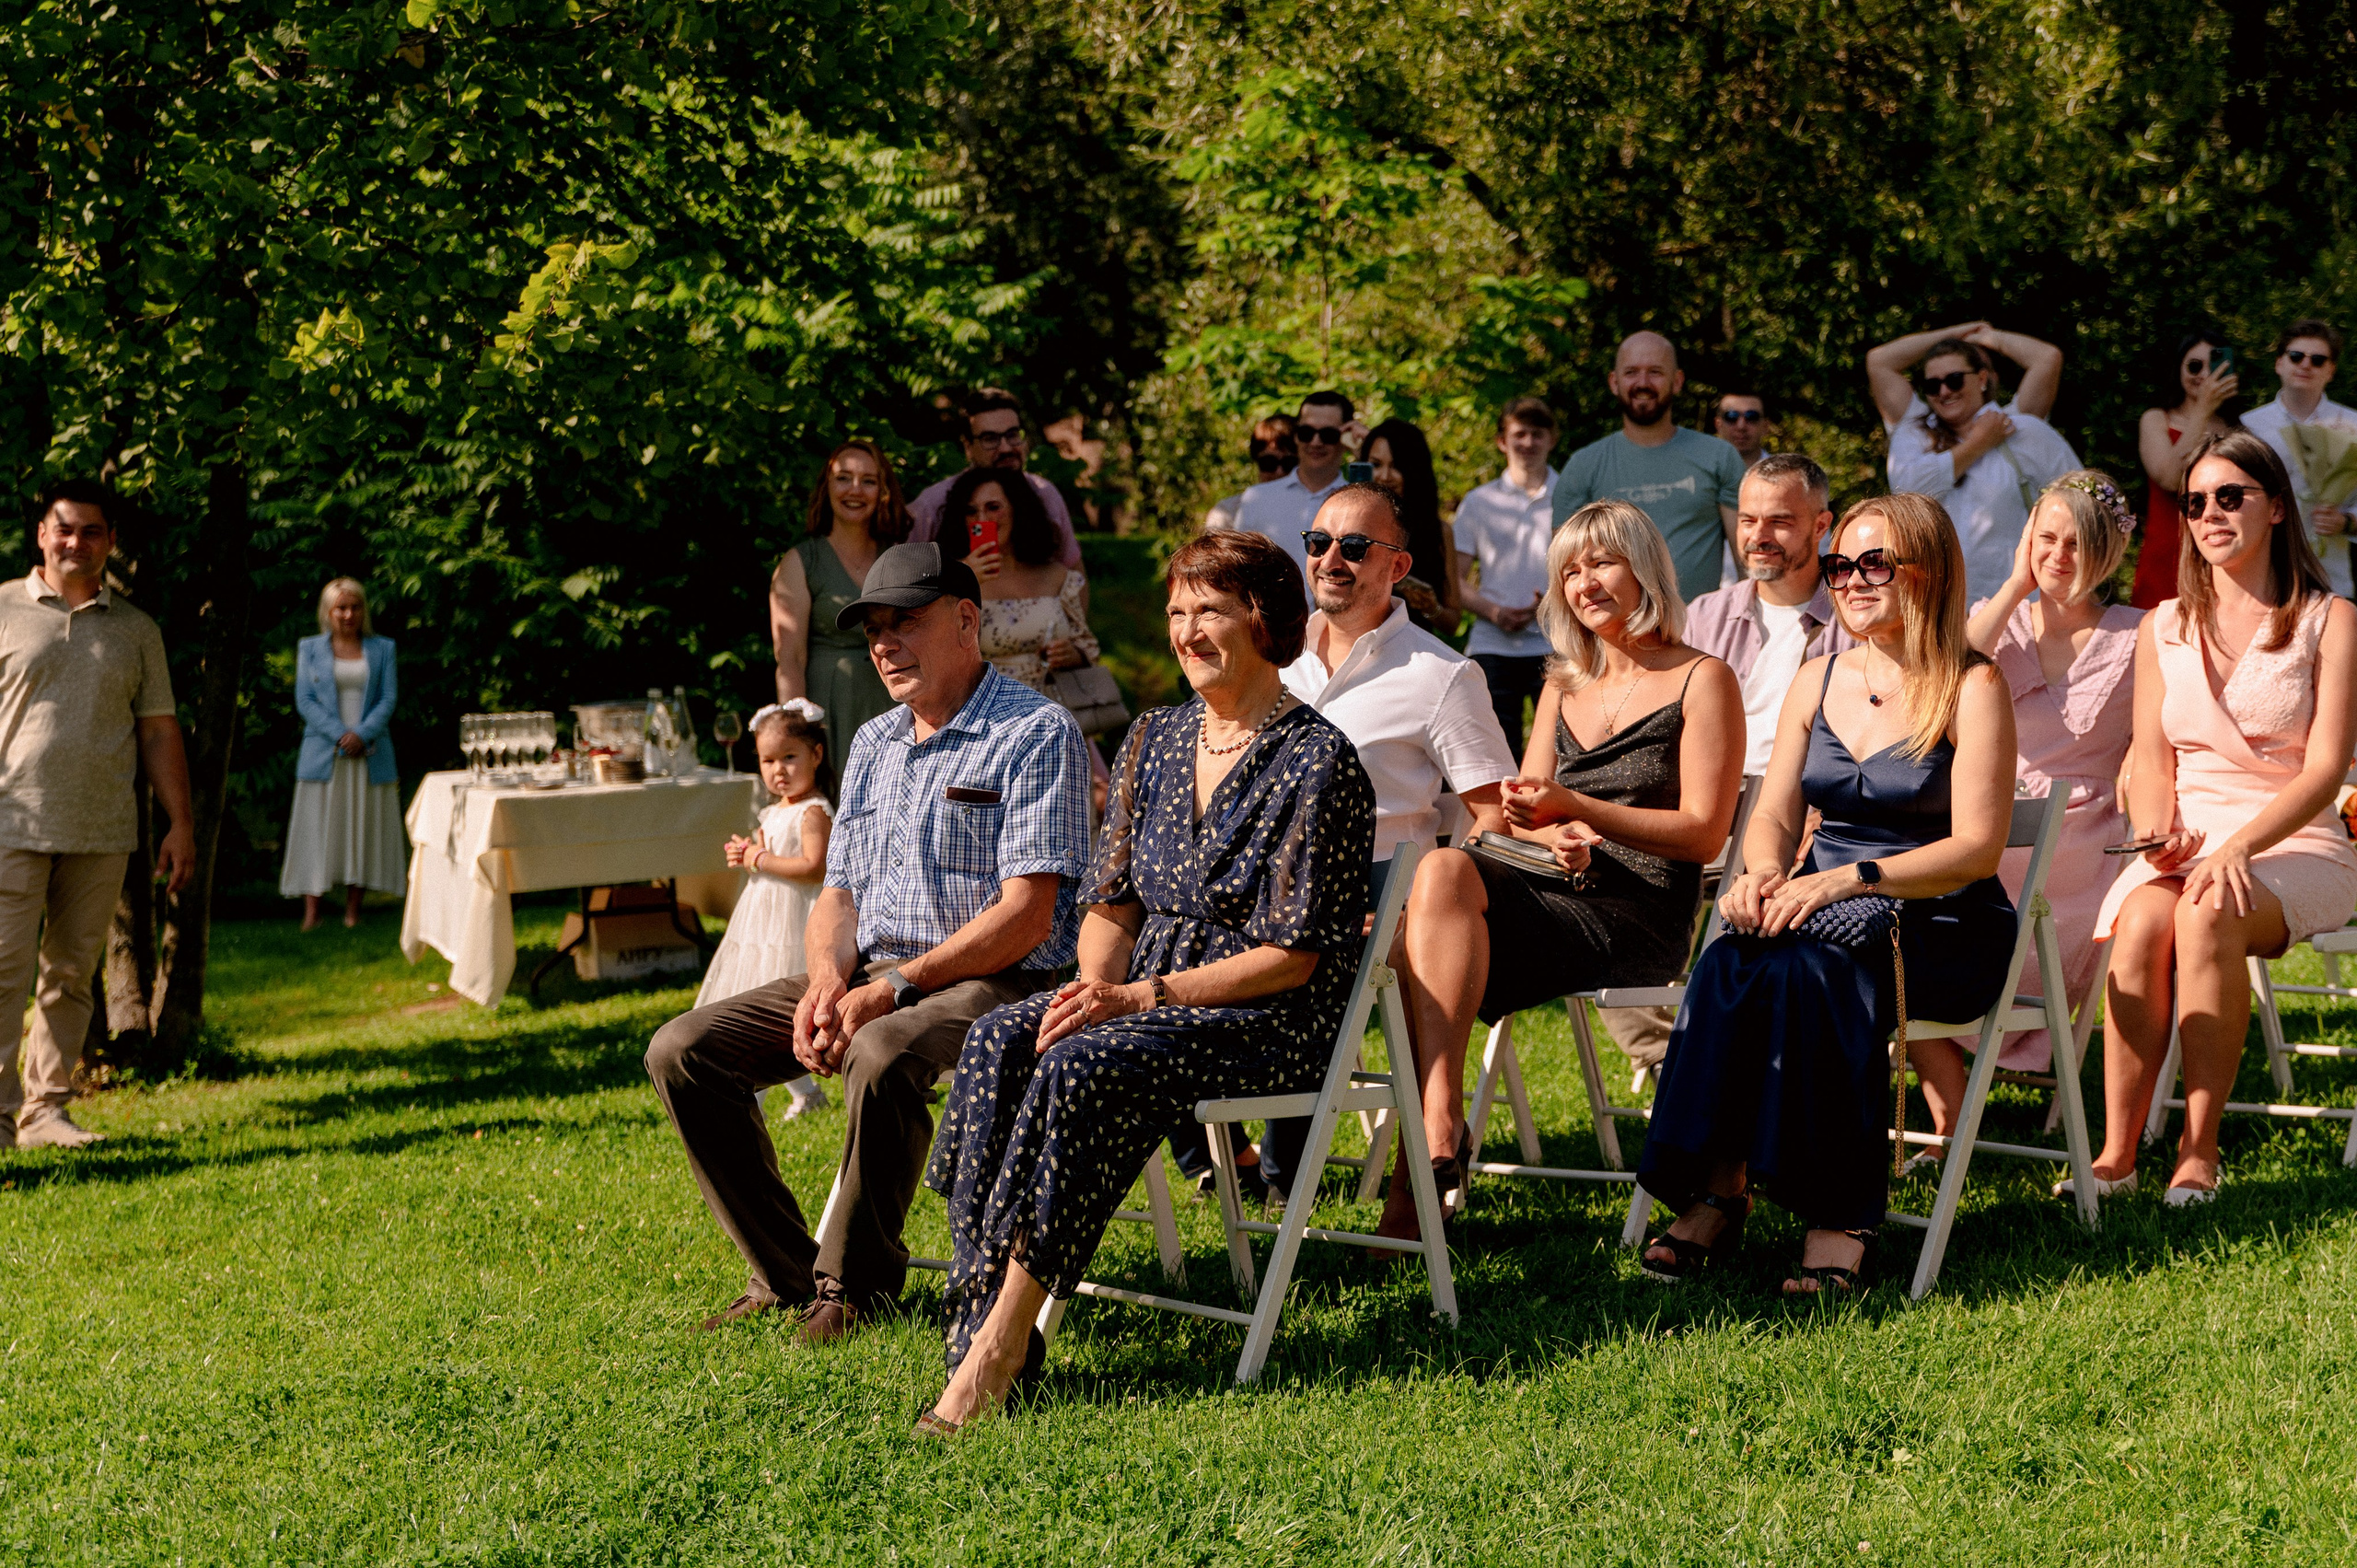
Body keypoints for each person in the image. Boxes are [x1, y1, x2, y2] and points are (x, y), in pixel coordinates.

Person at [915, 531, 1374, 1435]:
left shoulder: (1320, 760)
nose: (1186, 630)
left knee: (1079, 1063)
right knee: (1004, 1036)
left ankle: (997, 1347)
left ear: (1264, 620)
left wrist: (1137, 1001)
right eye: (1176, 611)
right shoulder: (1153, 738)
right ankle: (982, 1311)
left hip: (1264, 1016)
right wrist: (1092, 990)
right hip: (1142, 997)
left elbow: (1293, 956)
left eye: (1210, 610)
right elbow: (1111, 904)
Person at [646, 542, 1092, 1340]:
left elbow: (1028, 915)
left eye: (905, 622)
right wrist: (825, 977)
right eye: (874, 629)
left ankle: (856, 1284)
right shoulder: (876, 741)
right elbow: (839, 892)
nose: (884, 644)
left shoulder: (1034, 731)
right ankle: (786, 1271)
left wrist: (894, 987)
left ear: (966, 620)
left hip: (1002, 977)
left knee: (881, 1049)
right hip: (874, 970)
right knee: (683, 1049)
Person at [1636, 492, 2018, 1295]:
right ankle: (1718, 1185)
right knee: (1730, 959)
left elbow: (1977, 847)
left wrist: (1848, 877)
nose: (1849, 580)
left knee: (1817, 967)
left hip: (1940, 914)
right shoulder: (1818, 677)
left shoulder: (1973, 684)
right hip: (1821, 904)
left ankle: (1840, 1212)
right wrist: (1760, 872)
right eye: (1840, 565)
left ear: (1928, 571)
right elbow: (1775, 812)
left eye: (1874, 563)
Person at [1384, 499, 1744, 1241]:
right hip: (1551, 886)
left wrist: (1581, 809)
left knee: (1410, 943)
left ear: (1645, 569)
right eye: (1570, 571)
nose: (1585, 582)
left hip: (1637, 913)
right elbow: (1522, 814)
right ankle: (1440, 1119)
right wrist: (1556, 833)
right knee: (1444, 870)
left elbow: (1705, 832)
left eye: (1602, 562)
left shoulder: (1703, 678)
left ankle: (1414, 1186)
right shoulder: (1563, 681)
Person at [2085, 432, 2357, 1205]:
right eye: (2195, 501)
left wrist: (2239, 846)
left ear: (2276, 509)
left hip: (2297, 839)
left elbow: (2326, 770)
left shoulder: (2331, 619)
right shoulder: (2162, 625)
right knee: (2143, 919)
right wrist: (2156, 830)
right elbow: (2150, 759)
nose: (2210, 513)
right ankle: (2116, 1155)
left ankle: (2198, 1151)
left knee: (2207, 910)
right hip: (2191, 838)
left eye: (2230, 496)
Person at [1260, 482, 1518, 1204]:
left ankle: (1292, 1174)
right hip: (1262, 885)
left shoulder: (1441, 675)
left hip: (1380, 891)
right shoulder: (1271, 659)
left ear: (1398, 567)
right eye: (1318, 543)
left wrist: (1418, 909)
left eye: (1354, 546)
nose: (1331, 559)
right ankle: (1229, 1161)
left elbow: (1493, 814)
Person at [1603, 454, 1854, 1074]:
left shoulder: (1853, 616)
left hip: (1801, 809)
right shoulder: (1705, 614)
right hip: (1704, 798)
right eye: (1747, 520)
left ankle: (1724, 1066)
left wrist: (1816, 827)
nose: (1758, 535)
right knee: (1603, 897)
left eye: (1780, 521)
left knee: (1759, 924)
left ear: (1822, 524)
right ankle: (1673, 1060)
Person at [1927, 473, 2141, 1120]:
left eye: (2077, 542)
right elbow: (1943, 681)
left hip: (2080, 831)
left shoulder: (2140, 632)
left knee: (2017, 890)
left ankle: (1975, 1053)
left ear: (2108, 551)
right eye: (2046, 537)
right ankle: (1946, 1094)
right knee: (1915, 899)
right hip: (1985, 809)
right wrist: (2014, 586)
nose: (2058, 555)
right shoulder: (1998, 621)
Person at [0, 482, 196, 1149]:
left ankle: (45, 1112)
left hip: (102, 828)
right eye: (64, 528)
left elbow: (159, 730)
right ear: (41, 535)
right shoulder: (3, 608)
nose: (75, 542)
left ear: (111, 541)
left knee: (71, 975)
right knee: (3, 971)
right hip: (11, 822)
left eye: (91, 531)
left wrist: (180, 823)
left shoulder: (136, 630)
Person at [1867, 322, 2078, 604]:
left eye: (1954, 380)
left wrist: (1991, 337)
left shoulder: (2015, 428)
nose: (1944, 391)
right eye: (1932, 385)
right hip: (1936, 604)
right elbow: (1909, 489)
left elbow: (2048, 357)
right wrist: (1952, 334)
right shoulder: (1913, 432)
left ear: (1981, 379)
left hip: (2014, 603)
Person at [698, 700, 836, 1121]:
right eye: (768, 760)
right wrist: (748, 853)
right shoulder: (774, 809)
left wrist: (759, 859)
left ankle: (753, 1099)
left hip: (795, 920)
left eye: (789, 757)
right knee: (753, 995)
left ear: (816, 754)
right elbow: (768, 854)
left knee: (781, 1006)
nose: (779, 770)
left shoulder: (813, 811)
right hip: (762, 920)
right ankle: (803, 1093)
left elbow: (813, 867)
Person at [1554, 332, 1746, 605]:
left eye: (1655, 372)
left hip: (1698, 626)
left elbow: (1746, 556)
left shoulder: (1718, 457)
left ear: (1677, 381)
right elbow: (1566, 569)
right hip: (1613, 627)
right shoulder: (1583, 466)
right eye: (1631, 372)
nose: (1643, 383)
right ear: (1614, 382)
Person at [771, 439, 911, 774]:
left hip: (891, 702)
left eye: (869, 481)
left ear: (883, 492)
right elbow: (790, 660)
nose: (855, 489)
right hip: (829, 708)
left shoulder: (897, 558)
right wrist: (796, 740)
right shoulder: (801, 562)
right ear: (826, 487)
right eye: (843, 478)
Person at [279, 578, 405, 932]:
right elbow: (305, 700)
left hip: (370, 752)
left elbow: (388, 698)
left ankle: (353, 912)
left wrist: (361, 735)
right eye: (341, 608)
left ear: (364, 610)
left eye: (355, 607)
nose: (349, 614)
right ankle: (312, 913)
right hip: (324, 753)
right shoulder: (309, 648)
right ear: (328, 611)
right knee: (317, 828)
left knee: (361, 827)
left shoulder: (383, 648)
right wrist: (341, 735)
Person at [1453, 396, 1560, 755]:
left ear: (1551, 439)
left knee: (1560, 753)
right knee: (1496, 754)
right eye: (1519, 434)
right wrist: (1494, 612)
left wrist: (1551, 603)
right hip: (1492, 646)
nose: (1528, 443)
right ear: (1502, 441)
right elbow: (1455, 580)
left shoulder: (1570, 497)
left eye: (1537, 434)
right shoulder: (1478, 502)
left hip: (1556, 643)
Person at [954, 467, 1099, 693]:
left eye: (993, 508)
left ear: (1018, 509)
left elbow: (1089, 646)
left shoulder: (1057, 576)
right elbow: (938, 652)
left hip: (1055, 701)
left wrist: (1074, 655)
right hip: (988, 705)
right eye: (971, 511)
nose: (982, 520)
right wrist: (962, 582)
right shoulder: (951, 579)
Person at [2241, 319, 2357, 598]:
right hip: (2265, 569)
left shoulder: (2354, 425)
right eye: (2296, 356)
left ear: (2331, 370)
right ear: (2279, 363)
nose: (2305, 365)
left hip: (2331, 573)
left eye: (2318, 360)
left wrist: (2347, 521)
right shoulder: (2250, 425)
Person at [909, 389, 1084, 570]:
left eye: (1012, 434)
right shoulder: (933, 505)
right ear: (968, 447)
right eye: (990, 439)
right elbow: (901, 577)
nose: (1006, 448)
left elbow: (1074, 572)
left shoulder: (1044, 495)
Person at [2132, 327, 2243, 609]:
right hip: (2166, 556)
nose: (2203, 375)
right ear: (2178, 369)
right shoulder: (2157, 419)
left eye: (2212, 367)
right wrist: (2202, 411)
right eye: (2194, 366)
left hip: (2220, 556)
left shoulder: (2238, 431)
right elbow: (2170, 478)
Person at [1229, 389, 1359, 591]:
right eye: (1307, 433)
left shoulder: (1359, 502)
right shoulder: (1257, 498)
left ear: (1345, 438)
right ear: (1296, 436)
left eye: (1328, 434)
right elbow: (1236, 572)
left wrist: (1364, 451)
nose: (1316, 442)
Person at [1361, 418, 1454, 632]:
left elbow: (1452, 623)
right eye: (1376, 465)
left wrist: (1430, 606)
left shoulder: (1438, 531)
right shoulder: (1347, 526)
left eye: (1397, 467)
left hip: (1416, 646)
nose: (1385, 476)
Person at [1204, 415, 1296, 532]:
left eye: (1289, 463)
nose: (1279, 471)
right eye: (1269, 462)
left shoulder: (1314, 509)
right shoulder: (1228, 512)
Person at [1713, 391, 1770, 470]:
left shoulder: (1783, 473)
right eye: (1731, 417)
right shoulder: (1700, 473)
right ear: (1718, 425)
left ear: (1765, 426)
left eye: (1751, 417)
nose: (1741, 426)